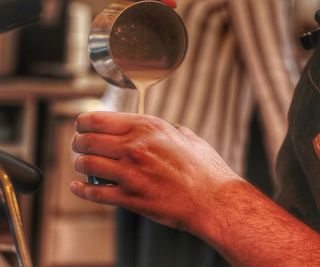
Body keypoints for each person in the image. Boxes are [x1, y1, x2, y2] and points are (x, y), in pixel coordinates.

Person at [70, 0, 320, 266]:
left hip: (191, 178)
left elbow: (273, 71)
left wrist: (284, 191)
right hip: (151, 164)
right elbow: (129, 57)